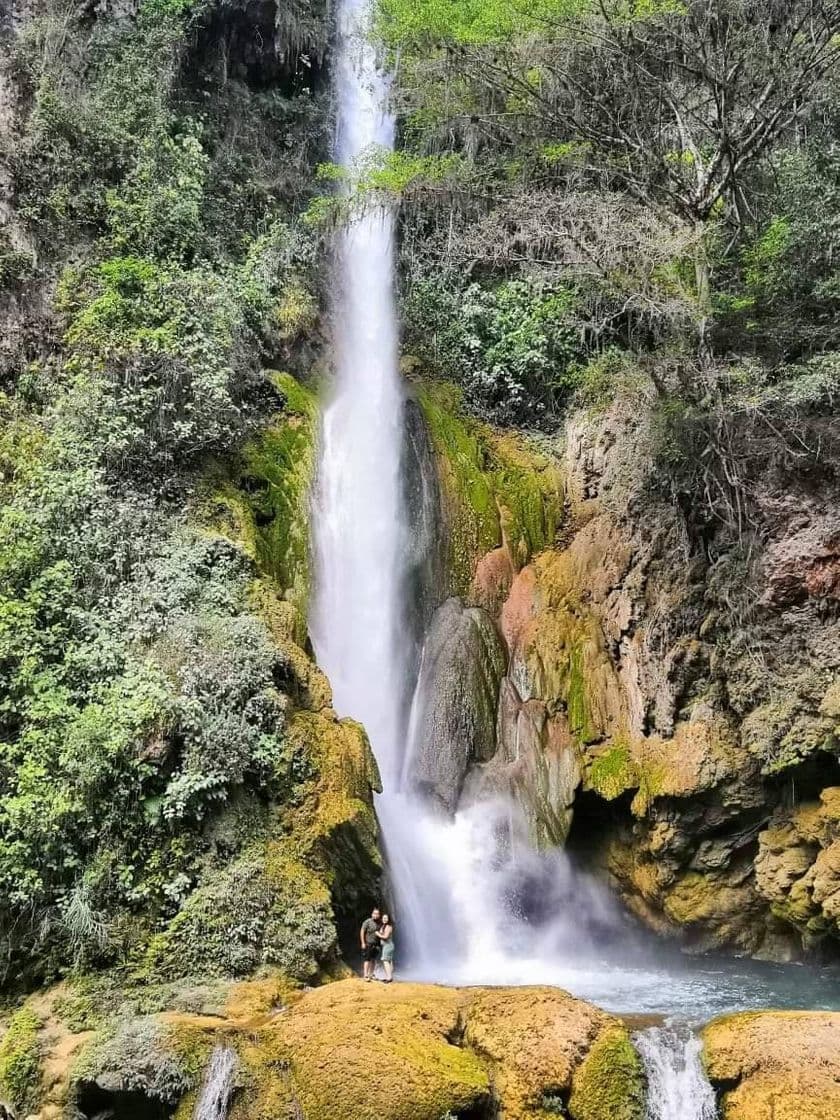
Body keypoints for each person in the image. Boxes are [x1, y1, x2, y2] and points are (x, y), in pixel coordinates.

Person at [360, 906, 382, 980]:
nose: (375, 915)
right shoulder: (368, 921)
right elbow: (362, 931)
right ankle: (365, 975)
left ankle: (371, 974)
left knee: (373, 960)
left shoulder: (380, 922)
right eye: (374, 913)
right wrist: (363, 943)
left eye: (377, 914)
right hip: (368, 943)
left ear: (379, 915)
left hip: (376, 944)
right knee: (367, 959)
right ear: (372, 914)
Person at [377, 912, 395, 982]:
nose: (384, 919)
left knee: (385, 960)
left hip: (388, 945)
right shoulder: (384, 926)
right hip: (388, 945)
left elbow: (385, 937)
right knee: (389, 961)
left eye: (386, 918)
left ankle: (389, 977)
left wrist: (377, 934)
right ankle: (390, 976)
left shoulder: (388, 927)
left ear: (388, 919)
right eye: (383, 918)